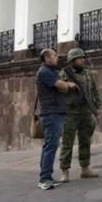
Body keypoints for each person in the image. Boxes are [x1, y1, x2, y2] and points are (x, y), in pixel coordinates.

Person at [58, 48, 102, 183]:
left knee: (85, 140)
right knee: (67, 143)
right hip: (70, 112)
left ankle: (85, 168)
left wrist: (97, 105)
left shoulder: (88, 74)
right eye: (79, 58)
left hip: (85, 111)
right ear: (72, 61)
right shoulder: (64, 74)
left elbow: (93, 90)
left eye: (83, 58)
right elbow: (59, 90)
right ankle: (64, 171)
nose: (83, 60)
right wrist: (68, 86)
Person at [36, 48, 77, 190]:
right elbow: (60, 86)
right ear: (47, 58)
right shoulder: (45, 72)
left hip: (55, 112)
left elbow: (60, 88)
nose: (57, 57)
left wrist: (64, 87)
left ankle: (47, 176)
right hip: (51, 113)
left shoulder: (50, 71)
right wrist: (69, 85)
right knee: (51, 145)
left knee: (50, 145)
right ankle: (44, 178)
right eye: (54, 55)